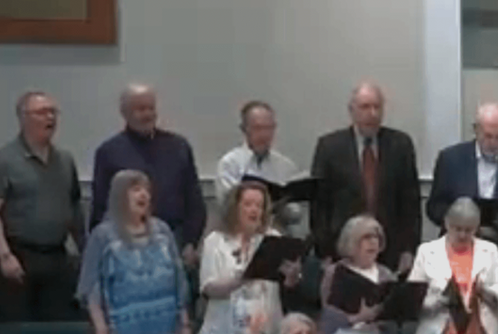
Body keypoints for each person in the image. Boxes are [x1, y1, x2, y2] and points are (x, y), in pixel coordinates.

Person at [77, 169, 192, 334]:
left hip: (163, 330)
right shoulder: (103, 235)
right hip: (122, 333)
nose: (143, 195)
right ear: (120, 196)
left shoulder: (162, 231)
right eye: (136, 189)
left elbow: (178, 279)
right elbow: (91, 288)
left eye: (146, 190)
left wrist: (185, 324)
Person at [198, 181, 303, 334]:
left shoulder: (272, 239)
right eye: (248, 204)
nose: (254, 210)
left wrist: (292, 277)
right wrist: (239, 281)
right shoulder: (215, 241)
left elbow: (284, 285)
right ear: (235, 208)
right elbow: (208, 288)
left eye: (259, 205)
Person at [90, 84, 205, 268]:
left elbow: (194, 201)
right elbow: (101, 207)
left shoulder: (178, 147)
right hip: (127, 246)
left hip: (175, 241)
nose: (148, 114)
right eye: (141, 109)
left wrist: (191, 242)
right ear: (124, 113)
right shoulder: (109, 152)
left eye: (151, 108)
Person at [310, 82, 421, 272]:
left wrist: (409, 249)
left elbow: (410, 202)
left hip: (390, 250)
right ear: (351, 111)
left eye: (377, 107)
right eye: (365, 107)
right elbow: (320, 206)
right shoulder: (330, 147)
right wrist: (324, 252)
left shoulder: (400, 145)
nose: (372, 114)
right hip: (343, 250)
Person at [426, 103, 498, 289]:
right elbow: (434, 207)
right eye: (488, 136)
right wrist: (459, 222)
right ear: (476, 130)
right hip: (457, 248)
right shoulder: (450, 159)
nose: (492, 143)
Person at [408, 198, 498, 334]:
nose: (463, 235)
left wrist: (484, 292)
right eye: (457, 229)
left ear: (477, 227)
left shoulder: (490, 250)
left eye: (469, 230)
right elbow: (413, 297)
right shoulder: (427, 251)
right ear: (446, 224)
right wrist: (441, 300)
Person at [0, 91, 85, 322]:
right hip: (20, 256)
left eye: (53, 112)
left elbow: (74, 207)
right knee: (19, 327)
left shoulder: (65, 159)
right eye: (41, 112)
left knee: (59, 322)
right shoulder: (6, 160)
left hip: (57, 256)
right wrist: (4, 256)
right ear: (23, 117)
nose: (50, 118)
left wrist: (84, 250)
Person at [320, 215, 399, 334]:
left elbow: (394, 320)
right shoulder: (335, 272)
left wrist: (383, 316)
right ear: (352, 243)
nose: (373, 242)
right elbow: (328, 313)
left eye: (376, 237)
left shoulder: (386, 275)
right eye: (366, 237)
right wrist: (358, 318)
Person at [214, 101, 302, 235]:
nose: (264, 135)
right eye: (258, 128)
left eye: (269, 128)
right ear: (244, 129)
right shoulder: (230, 164)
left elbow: (296, 214)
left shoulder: (285, 165)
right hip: (240, 237)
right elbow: (228, 208)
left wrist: (287, 207)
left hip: (278, 235)